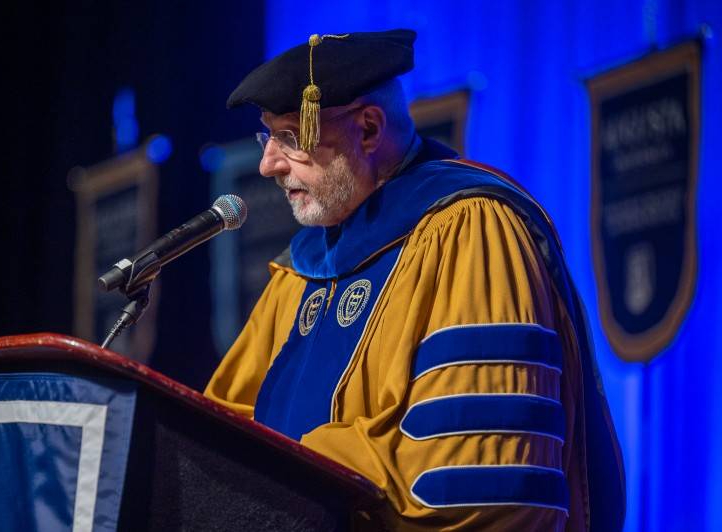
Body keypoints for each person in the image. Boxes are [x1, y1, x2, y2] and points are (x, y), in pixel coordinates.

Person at [205, 29, 625, 531]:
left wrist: (298, 468)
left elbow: (479, 478)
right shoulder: (301, 270)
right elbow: (219, 433)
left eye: (292, 138)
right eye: (266, 136)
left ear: (367, 129)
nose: (268, 163)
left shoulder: (472, 230)